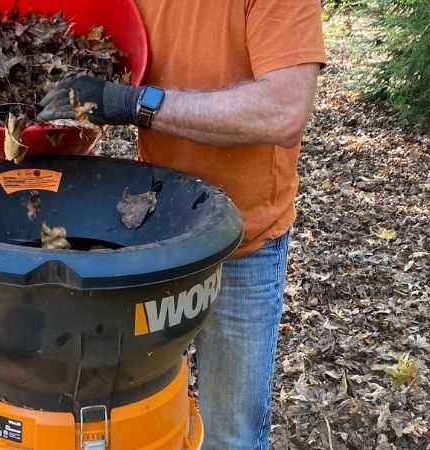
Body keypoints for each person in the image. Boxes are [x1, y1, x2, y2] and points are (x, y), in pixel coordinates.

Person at [38, 1, 326, 448]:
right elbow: (82, 54)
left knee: (230, 434)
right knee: (129, 415)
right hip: (152, 233)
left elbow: (283, 110)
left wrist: (135, 103)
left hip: (242, 247)